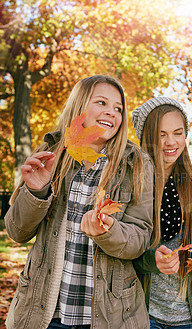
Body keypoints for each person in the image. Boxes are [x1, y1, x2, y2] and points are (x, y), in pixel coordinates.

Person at [5, 75, 154, 329]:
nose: (111, 113)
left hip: (110, 315)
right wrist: (36, 192)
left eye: (118, 108)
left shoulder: (137, 163)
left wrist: (108, 232)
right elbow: (16, 232)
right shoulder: (52, 152)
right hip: (47, 311)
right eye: (101, 103)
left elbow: (140, 240)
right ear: (79, 105)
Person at [132, 97, 192, 329]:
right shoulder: (133, 186)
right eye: (161, 134)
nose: (171, 142)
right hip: (142, 314)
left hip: (190, 316)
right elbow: (121, 252)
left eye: (178, 133)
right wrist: (153, 261)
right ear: (147, 138)